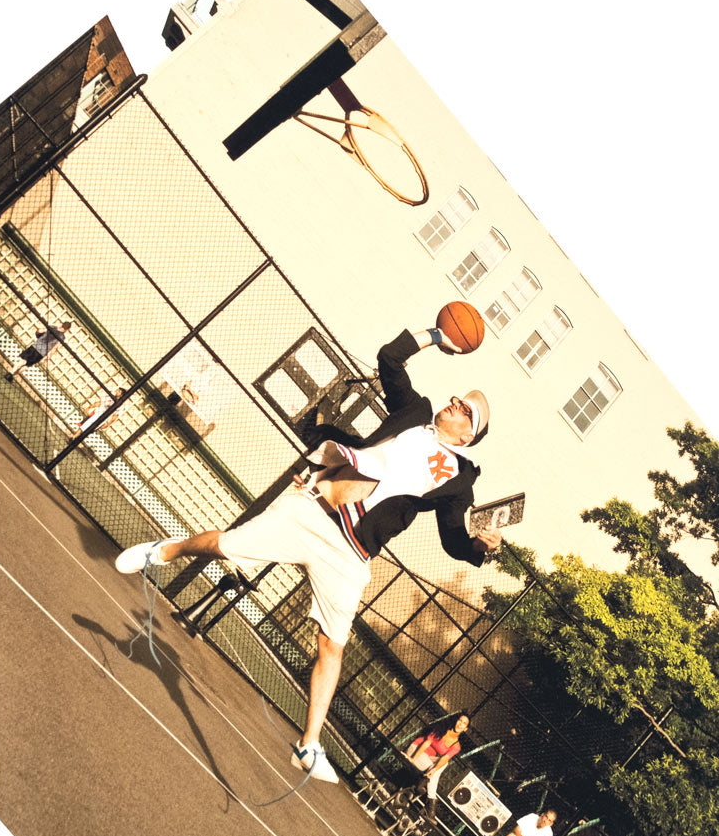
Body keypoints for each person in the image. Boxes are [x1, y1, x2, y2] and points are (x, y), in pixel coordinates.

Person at [113, 321, 503, 784]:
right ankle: (162, 551)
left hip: (352, 554)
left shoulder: (460, 478)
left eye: (465, 410)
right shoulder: (415, 411)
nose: (454, 404)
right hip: (314, 512)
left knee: (332, 647)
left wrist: (480, 550)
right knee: (227, 546)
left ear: (468, 435)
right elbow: (389, 357)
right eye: (458, 397)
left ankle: (309, 744)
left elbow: (453, 539)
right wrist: (436, 337)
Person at [404, 712, 469, 821]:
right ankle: (430, 805)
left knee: (444, 763)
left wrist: (434, 770)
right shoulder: (442, 729)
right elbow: (426, 743)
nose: (460, 724)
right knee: (437, 768)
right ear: (456, 721)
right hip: (416, 750)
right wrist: (413, 758)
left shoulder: (456, 746)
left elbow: (444, 758)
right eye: (460, 721)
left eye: (464, 723)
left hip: (428, 761)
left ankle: (426, 786)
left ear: (465, 729)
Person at [6, 320, 73, 380]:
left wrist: (38, 335)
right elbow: (55, 348)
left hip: (35, 347)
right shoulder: (62, 337)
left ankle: (11, 373)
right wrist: (48, 357)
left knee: (23, 361)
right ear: (67, 329)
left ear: (62, 324)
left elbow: (40, 330)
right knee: (27, 365)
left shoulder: (52, 327)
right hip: (41, 353)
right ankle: (13, 376)